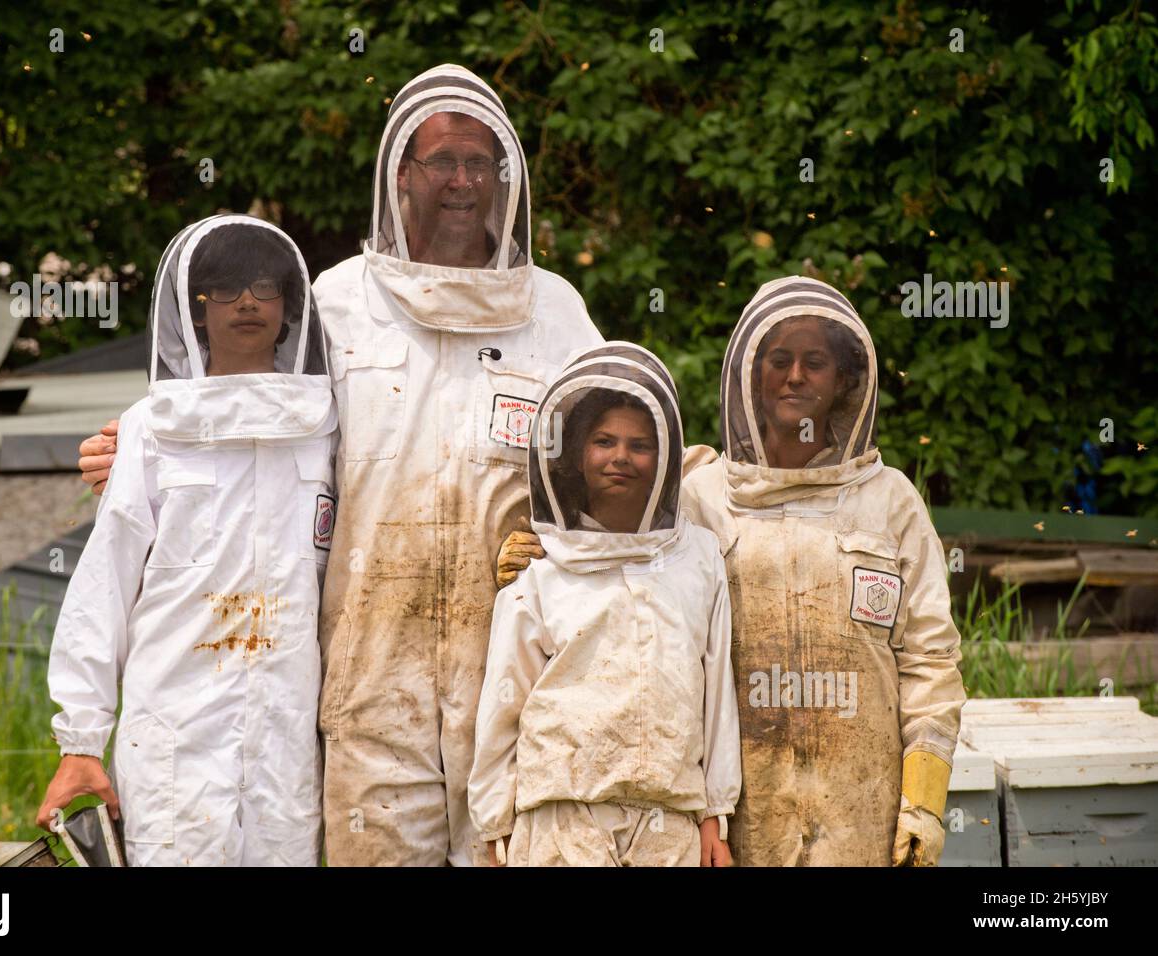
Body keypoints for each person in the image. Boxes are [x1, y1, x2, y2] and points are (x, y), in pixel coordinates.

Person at [77, 65, 602, 866]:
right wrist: (139, 448)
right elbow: (239, 425)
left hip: (516, 676)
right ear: (400, 175)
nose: (463, 182)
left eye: (481, 163)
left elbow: (621, 450)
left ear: (506, 179)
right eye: (443, 162)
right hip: (365, 676)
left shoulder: (556, 311)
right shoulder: (336, 302)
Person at [497, 276, 966, 866]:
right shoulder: (698, 499)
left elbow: (930, 659)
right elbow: (611, 572)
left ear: (845, 379)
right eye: (779, 359)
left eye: (814, 362)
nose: (795, 376)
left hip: (859, 808)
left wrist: (922, 801)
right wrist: (549, 550)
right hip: (738, 819)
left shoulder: (891, 502)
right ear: (750, 374)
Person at [38, 216, 337, 866]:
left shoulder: (328, 426)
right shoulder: (150, 428)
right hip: (174, 729)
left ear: (290, 305)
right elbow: (106, 583)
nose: (249, 302)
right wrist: (81, 741)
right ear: (195, 309)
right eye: (226, 289)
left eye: (264, 286)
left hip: (288, 733)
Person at [468, 344, 740, 866]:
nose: (621, 456)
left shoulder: (699, 557)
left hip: (669, 822)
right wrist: (493, 822)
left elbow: (716, 691)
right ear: (574, 454)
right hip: (561, 822)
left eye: (640, 445)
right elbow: (503, 704)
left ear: (665, 459)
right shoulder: (541, 571)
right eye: (604, 441)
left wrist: (715, 813)